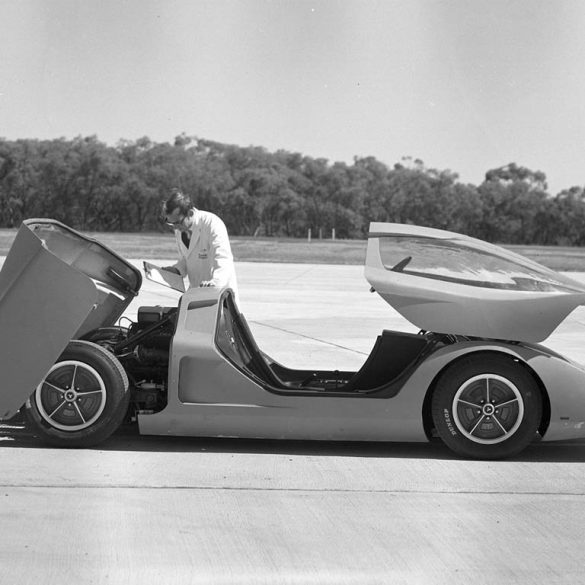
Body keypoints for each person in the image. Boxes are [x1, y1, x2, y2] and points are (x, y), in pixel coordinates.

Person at [160, 189, 238, 301]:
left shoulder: (212, 223)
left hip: (219, 295)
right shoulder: (180, 230)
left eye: (177, 222)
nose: (175, 227)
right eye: (171, 223)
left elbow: (223, 258)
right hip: (195, 294)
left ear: (190, 213)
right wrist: (176, 271)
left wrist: (215, 283)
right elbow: (186, 260)